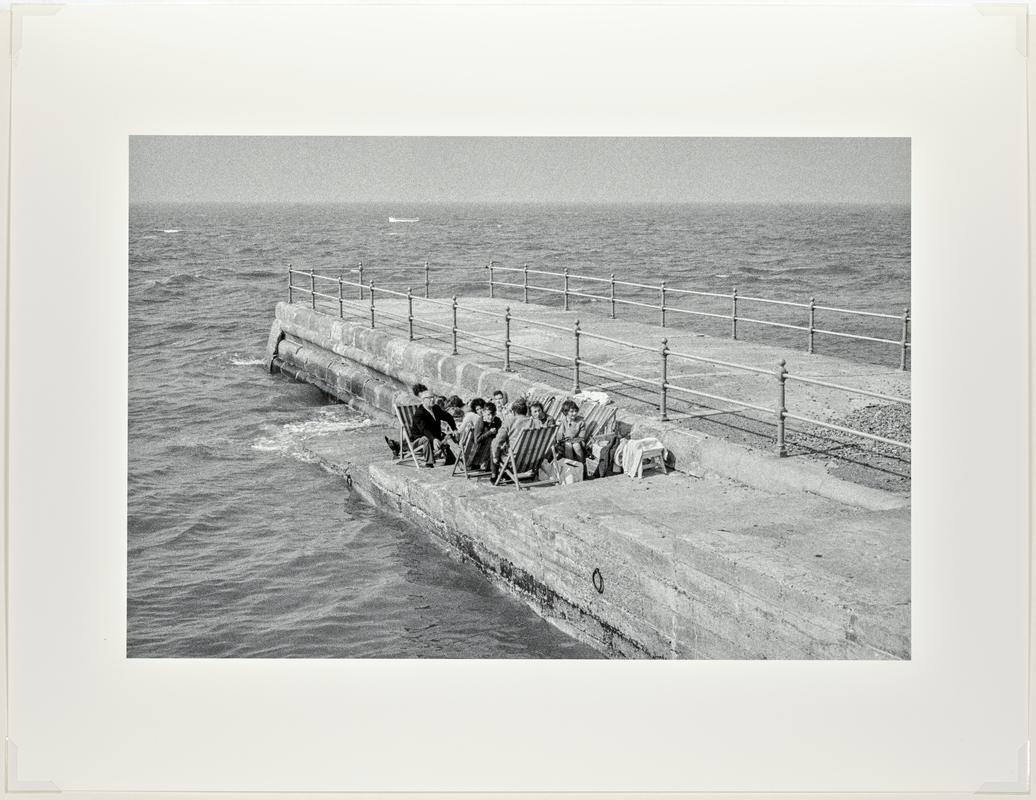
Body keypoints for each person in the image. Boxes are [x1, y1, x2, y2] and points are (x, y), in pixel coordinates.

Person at [410, 389, 457, 467]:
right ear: (424, 400)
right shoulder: (419, 413)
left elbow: (448, 417)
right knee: (426, 439)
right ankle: (429, 462)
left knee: (450, 436)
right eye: (430, 398)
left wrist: (454, 429)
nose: (433, 399)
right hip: (420, 439)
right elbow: (424, 429)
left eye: (433, 397)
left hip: (435, 436)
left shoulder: (435, 408)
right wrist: (433, 439)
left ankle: (451, 459)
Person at [490, 397, 533, 478]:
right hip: (532, 459)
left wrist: (495, 458)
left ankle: (494, 476)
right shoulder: (535, 422)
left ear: (514, 411)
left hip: (513, 460)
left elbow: (497, 442)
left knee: (494, 443)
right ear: (526, 411)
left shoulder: (510, 421)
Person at [472, 401, 502, 472]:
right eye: (488, 414)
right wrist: (489, 432)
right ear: (484, 413)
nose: (491, 417)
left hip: (492, 450)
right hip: (480, 452)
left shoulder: (497, 420)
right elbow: (477, 440)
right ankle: (494, 471)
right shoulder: (481, 421)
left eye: (493, 414)